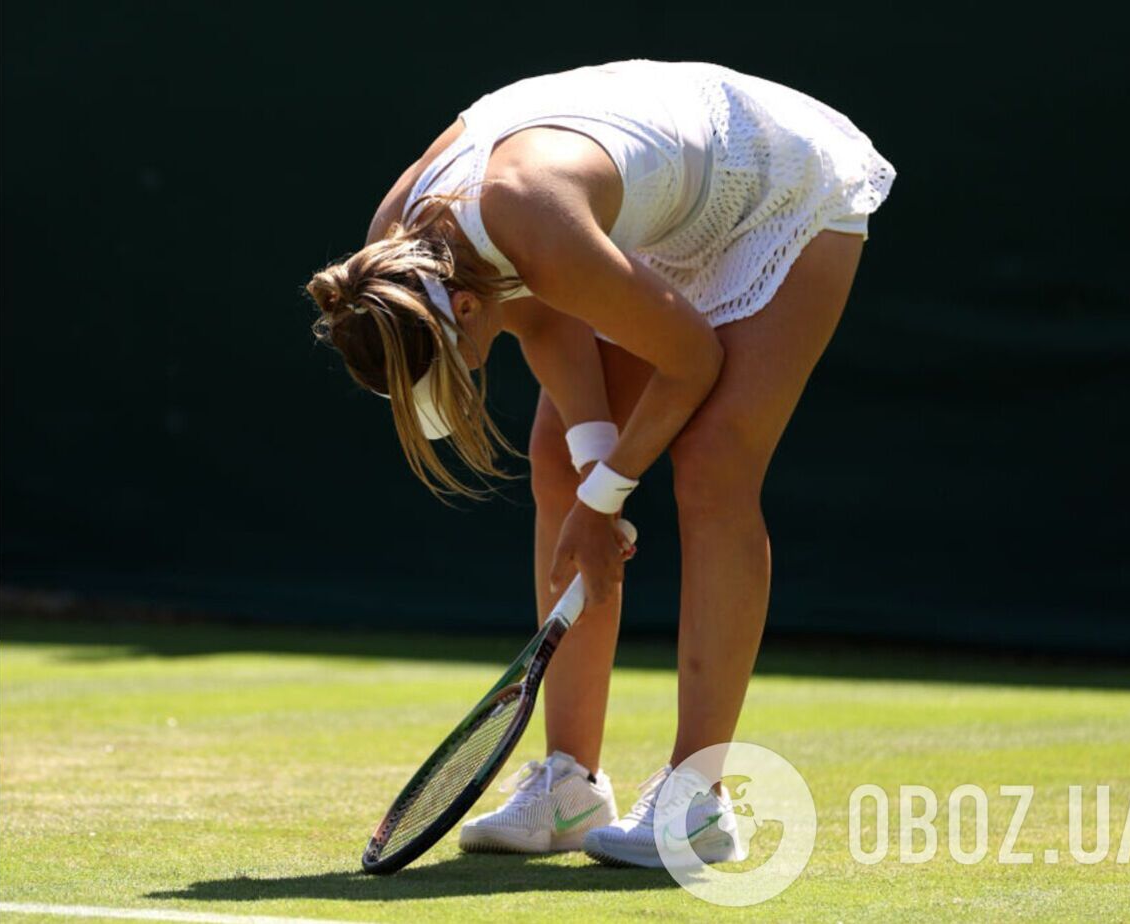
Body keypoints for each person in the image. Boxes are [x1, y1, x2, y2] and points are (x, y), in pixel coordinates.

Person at [305, 60, 893, 868]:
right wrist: (590, 480)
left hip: (773, 180)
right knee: (556, 458)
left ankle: (698, 802)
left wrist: (607, 497)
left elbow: (690, 358)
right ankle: (571, 788)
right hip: (645, 207)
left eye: (462, 363)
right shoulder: (391, 258)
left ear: (468, 310)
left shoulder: (531, 222)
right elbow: (546, 322)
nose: (470, 377)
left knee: (714, 462)